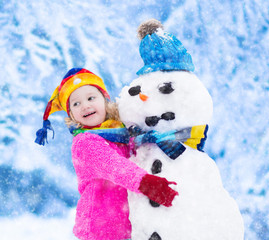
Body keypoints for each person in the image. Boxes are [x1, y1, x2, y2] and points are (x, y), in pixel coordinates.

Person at [35, 68, 178, 240]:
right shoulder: (84, 142)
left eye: (91, 98)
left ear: (104, 100)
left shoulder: (120, 133)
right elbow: (114, 166)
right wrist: (148, 184)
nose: (85, 105)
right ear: (71, 114)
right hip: (101, 228)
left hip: (127, 225)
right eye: (76, 104)